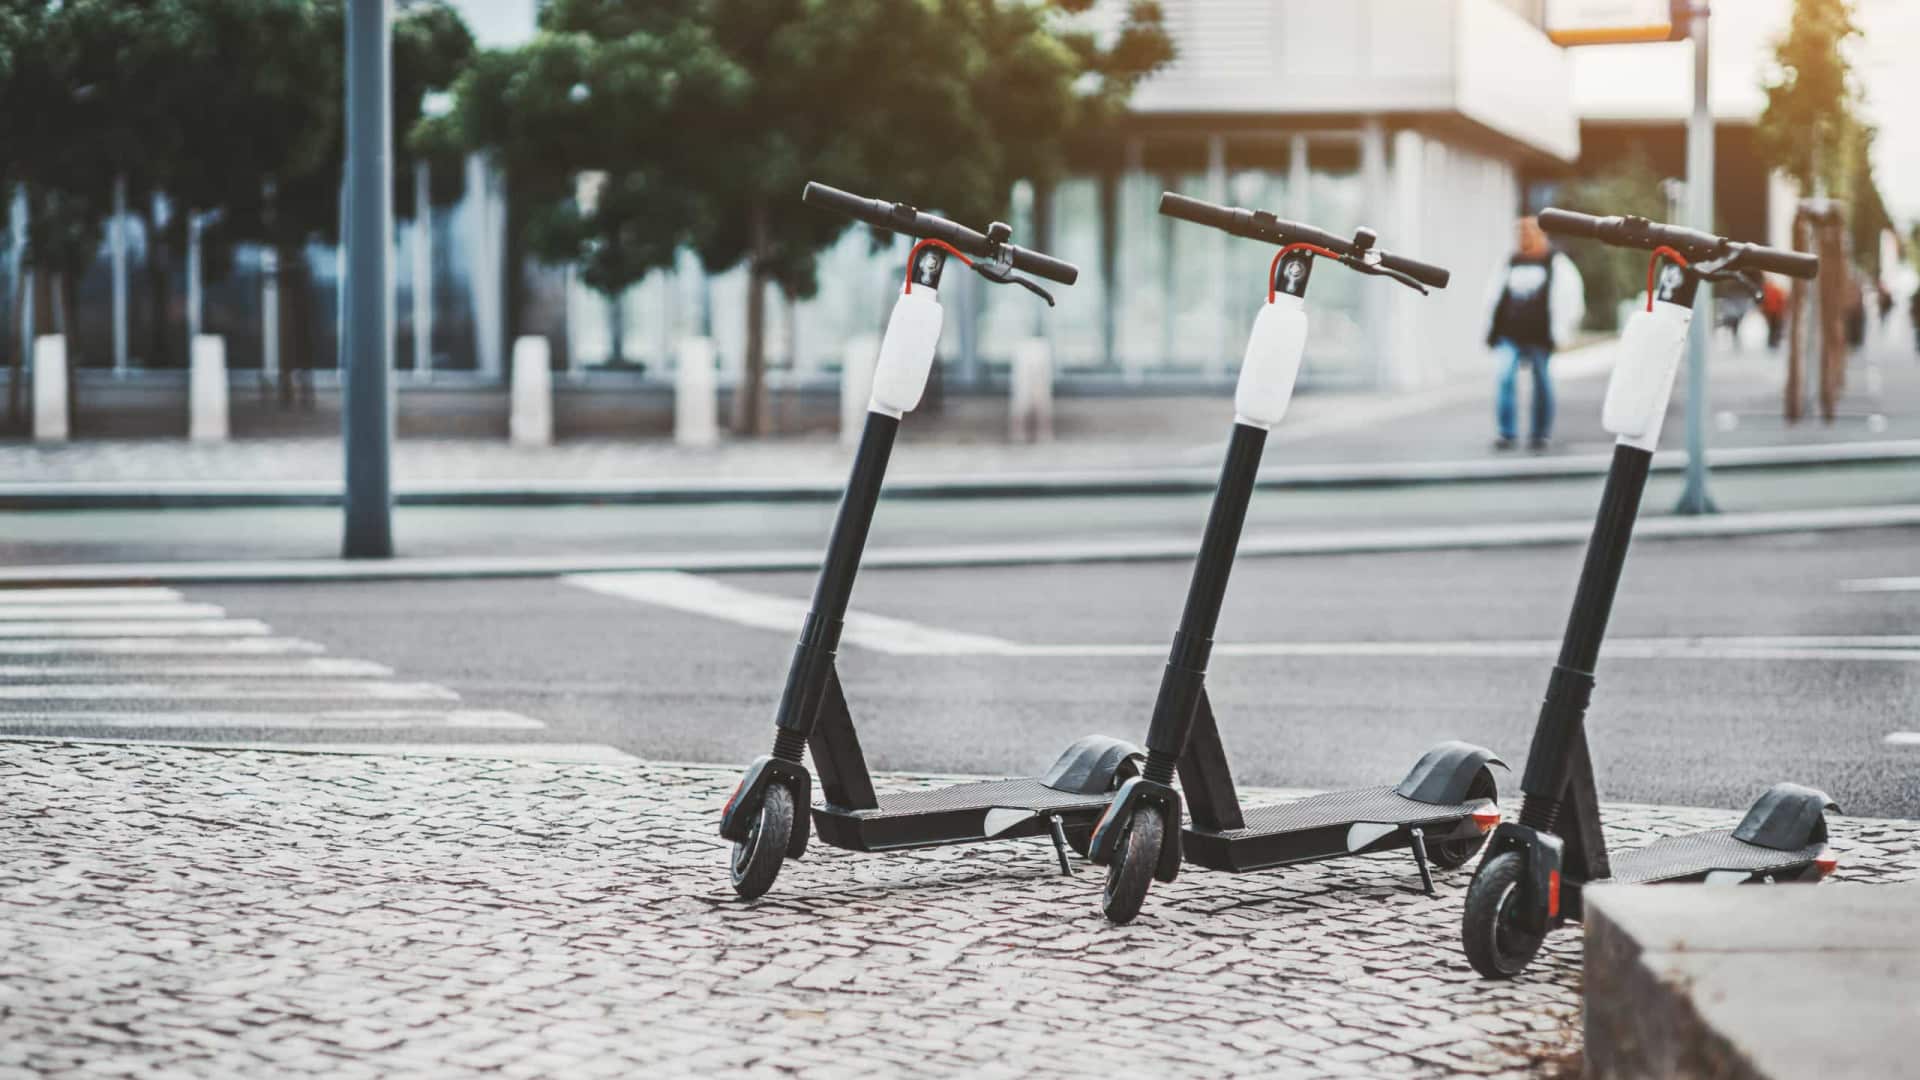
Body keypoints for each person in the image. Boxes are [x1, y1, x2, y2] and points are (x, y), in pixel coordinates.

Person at [1483, 216, 1585, 451]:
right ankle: (1506, 433)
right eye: (1520, 233)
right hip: (1509, 333)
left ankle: (1540, 434)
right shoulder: (1509, 262)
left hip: (1540, 335)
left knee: (1542, 382)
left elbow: (1570, 299)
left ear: (1542, 235)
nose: (1524, 237)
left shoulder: (1556, 263)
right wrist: (1490, 329)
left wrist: (1563, 331)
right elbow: (1493, 297)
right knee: (1504, 377)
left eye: (1529, 232)